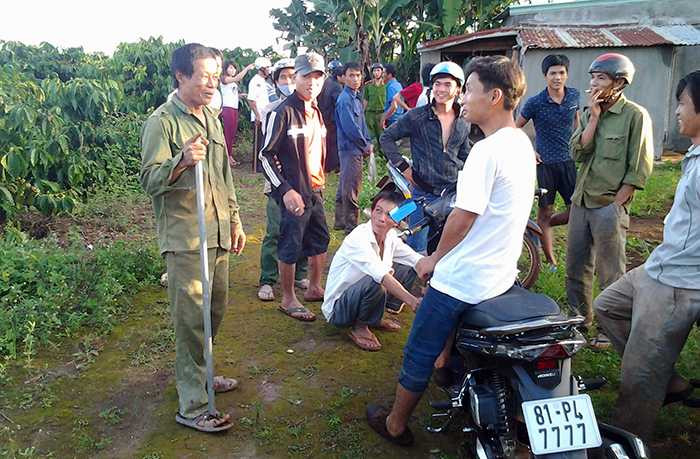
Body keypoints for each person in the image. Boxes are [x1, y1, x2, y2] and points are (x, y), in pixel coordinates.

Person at [366, 55, 533, 446]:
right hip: (499, 272)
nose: (462, 98)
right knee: (441, 341)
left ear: (494, 97)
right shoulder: (520, 143)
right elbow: (388, 137)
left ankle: (395, 424)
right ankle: (446, 366)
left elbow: (463, 218)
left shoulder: (485, 150)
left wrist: (433, 260)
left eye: (468, 90)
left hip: (465, 276)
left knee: (418, 348)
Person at [140, 43, 246, 432]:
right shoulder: (162, 122)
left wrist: (235, 219)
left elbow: (224, 175)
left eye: (216, 76)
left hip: (217, 231)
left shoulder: (212, 118)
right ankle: (193, 405)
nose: (212, 83)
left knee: (213, 312)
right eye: (204, 76)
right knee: (190, 321)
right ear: (181, 75)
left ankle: (203, 373)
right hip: (186, 238)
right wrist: (181, 160)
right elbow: (149, 180)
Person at [593, 70, 700, 442]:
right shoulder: (693, 155)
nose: (677, 111)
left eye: (682, 103)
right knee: (606, 307)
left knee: (637, 378)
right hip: (658, 266)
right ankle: (666, 378)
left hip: (677, 282)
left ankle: (626, 442)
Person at [566, 53, 654, 347]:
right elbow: (577, 153)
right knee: (576, 268)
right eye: (592, 77)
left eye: (601, 78)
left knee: (610, 272)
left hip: (608, 204)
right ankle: (579, 321)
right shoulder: (590, 112)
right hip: (582, 201)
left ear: (619, 83)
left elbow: (639, 165)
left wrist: (619, 202)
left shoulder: (635, 116)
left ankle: (608, 329)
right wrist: (593, 118)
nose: (594, 83)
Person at [258, 52, 329, 322]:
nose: (312, 82)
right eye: (306, 76)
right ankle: (288, 298)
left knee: (320, 239)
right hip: (294, 191)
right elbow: (265, 155)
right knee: (289, 243)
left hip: (316, 189)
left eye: (317, 77)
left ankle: (314, 287)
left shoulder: (316, 111)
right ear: (296, 78)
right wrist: (285, 189)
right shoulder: (282, 112)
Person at [380, 61, 471, 256]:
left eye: (447, 84)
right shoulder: (417, 117)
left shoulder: (464, 120)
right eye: (437, 84)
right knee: (417, 249)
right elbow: (386, 138)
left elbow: (464, 154)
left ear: (458, 89)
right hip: (422, 193)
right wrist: (404, 168)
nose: (441, 89)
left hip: (451, 194)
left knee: (447, 246)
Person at [323, 190, 422, 351]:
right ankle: (360, 327)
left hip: (359, 297)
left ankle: (373, 318)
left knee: (406, 266)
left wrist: (435, 264)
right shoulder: (359, 237)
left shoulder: (390, 237)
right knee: (377, 280)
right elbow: (381, 276)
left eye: (389, 215)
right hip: (339, 310)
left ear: (397, 221)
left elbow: (415, 259)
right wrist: (413, 301)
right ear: (372, 211)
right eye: (378, 211)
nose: (381, 218)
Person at [516, 54, 580, 268]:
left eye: (561, 73)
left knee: (576, 210)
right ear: (545, 75)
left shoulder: (574, 96)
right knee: (546, 210)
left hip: (568, 162)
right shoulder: (535, 102)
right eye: (553, 73)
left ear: (567, 75)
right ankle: (551, 261)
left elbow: (576, 122)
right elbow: (514, 127)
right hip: (545, 165)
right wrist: (529, 151)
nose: (557, 77)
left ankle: (539, 227)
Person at [257, 58, 310, 301]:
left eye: (292, 76)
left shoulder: (309, 108)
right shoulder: (272, 110)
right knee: (275, 229)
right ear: (276, 81)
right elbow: (268, 151)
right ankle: (268, 279)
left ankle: (300, 273)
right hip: (278, 182)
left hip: (304, 183)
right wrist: (280, 180)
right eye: (283, 77)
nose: (288, 81)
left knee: (302, 229)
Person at [334, 62, 373, 234]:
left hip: (355, 148)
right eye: (351, 75)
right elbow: (350, 128)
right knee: (351, 187)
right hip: (350, 149)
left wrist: (368, 141)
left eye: (358, 75)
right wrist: (364, 145)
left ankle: (340, 221)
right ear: (343, 78)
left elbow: (362, 124)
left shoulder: (356, 97)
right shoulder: (345, 100)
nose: (355, 79)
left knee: (345, 182)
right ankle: (351, 226)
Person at [220, 60, 255, 167]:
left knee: (232, 133)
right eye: (230, 68)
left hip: (234, 108)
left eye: (234, 68)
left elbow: (231, 93)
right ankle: (227, 157)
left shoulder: (232, 82)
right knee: (228, 133)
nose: (233, 70)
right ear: (225, 69)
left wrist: (241, 95)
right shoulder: (224, 78)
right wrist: (247, 68)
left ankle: (229, 155)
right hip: (227, 108)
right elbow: (237, 78)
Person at [318, 59, 344, 173]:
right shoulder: (336, 86)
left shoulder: (325, 82)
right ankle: (334, 165)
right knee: (334, 143)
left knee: (327, 142)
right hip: (332, 118)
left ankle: (326, 165)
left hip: (323, 117)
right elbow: (339, 103)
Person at [364, 63, 386, 150]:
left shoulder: (386, 85)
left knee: (381, 135)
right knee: (370, 136)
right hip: (370, 114)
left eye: (378, 70)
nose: (376, 73)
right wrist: (362, 113)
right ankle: (372, 153)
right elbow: (365, 100)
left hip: (381, 113)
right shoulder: (368, 86)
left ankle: (382, 154)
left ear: (382, 72)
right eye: (374, 71)